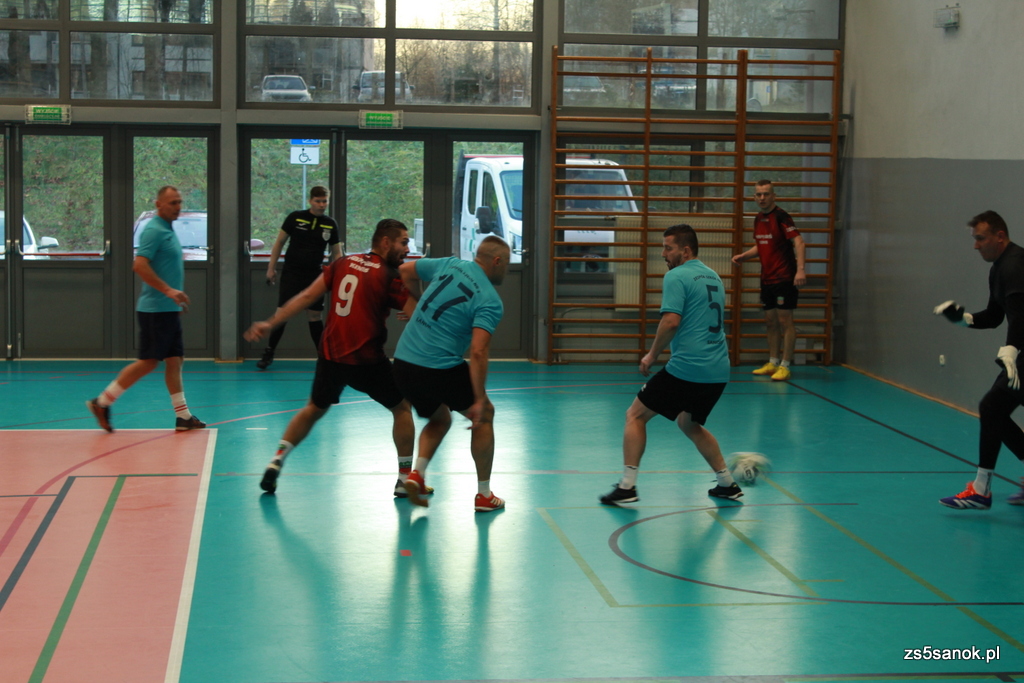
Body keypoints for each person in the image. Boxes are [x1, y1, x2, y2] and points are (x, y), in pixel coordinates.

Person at [245, 219, 425, 497]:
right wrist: (416, 292)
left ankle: (276, 460)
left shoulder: (343, 264)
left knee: (313, 408)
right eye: (403, 242)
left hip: (330, 356)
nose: (407, 248)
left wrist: (270, 323)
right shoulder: (389, 276)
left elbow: (306, 296)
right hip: (366, 361)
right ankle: (404, 480)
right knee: (402, 408)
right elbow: (420, 315)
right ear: (385, 242)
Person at [601, 224, 739, 506]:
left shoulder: (676, 276)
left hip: (689, 368)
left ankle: (627, 487)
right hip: (717, 370)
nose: (663, 254)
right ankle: (727, 483)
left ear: (685, 251)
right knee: (689, 423)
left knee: (635, 415)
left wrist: (651, 355)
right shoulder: (713, 276)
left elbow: (671, 321)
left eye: (668, 248)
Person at [392, 236, 509, 512]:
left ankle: (417, 475)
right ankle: (484, 495)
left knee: (440, 418)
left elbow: (405, 271)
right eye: (506, 263)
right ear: (496, 261)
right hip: (437, 367)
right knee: (485, 416)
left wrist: (418, 305)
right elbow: (478, 351)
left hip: (403, 363)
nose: (506, 269)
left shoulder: (449, 264)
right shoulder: (490, 300)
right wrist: (479, 399)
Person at [86, 186, 205, 433]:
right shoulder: (153, 230)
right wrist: (168, 291)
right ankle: (102, 402)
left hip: (167, 310)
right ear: (159, 204)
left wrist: (173, 300)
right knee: (149, 362)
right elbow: (139, 265)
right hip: (154, 311)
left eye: (179, 202)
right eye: (172, 203)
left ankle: (183, 417)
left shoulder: (168, 230)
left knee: (175, 360)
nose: (178, 207)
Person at [935, 210, 1024, 508]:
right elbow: (996, 316)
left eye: (981, 239)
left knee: (992, 407)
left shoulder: (1015, 265)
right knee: (994, 409)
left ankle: (981, 491)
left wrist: (1012, 348)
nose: (976, 246)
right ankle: (981, 489)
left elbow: (1021, 316)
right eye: (974, 239)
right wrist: (964, 319)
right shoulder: (998, 268)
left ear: (1000, 236)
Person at [257, 185, 341, 369]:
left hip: (315, 275)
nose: (322, 205)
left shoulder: (330, 223)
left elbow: (337, 253)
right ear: (310, 201)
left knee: (315, 315)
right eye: (318, 201)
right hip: (292, 273)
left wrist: (339, 275)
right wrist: (271, 268)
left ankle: (323, 358)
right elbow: (279, 243)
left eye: (325, 201)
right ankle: (269, 353)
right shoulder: (295, 217)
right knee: (282, 314)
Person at [731, 179, 806, 381]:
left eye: (766, 194)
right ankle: (773, 362)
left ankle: (785, 365)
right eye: (759, 194)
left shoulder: (782, 217)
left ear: (773, 196)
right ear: (754, 197)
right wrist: (743, 256)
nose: (762, 198)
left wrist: (800, 270)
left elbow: (799, 241)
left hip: (784, 278)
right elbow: (762, 246)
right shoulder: (758, 219)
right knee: (770, 321)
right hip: (767, 278)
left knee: (785, 321)